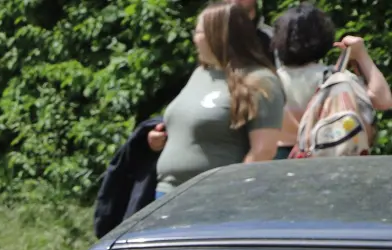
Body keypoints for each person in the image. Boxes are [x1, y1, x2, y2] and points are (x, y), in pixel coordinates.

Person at [145, 2, 283, 196]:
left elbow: (263, 151)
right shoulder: (201, 73)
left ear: (219, 35)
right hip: (167, 194)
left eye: (198, 32)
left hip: (213, 198)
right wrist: (159, 141)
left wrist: (231, 192)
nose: (194, 39)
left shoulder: (260, 81)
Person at [272, 5, 392, 158]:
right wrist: (361, 54)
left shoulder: (268, 81)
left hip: (276, 160)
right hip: (323, 156)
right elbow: (383, 100)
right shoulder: (333, 79)